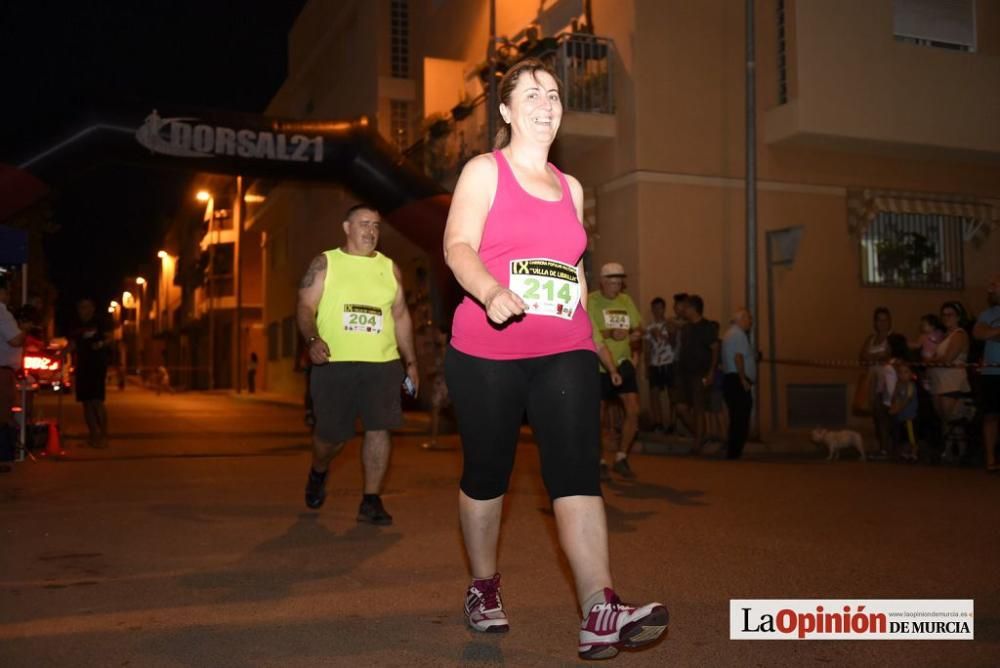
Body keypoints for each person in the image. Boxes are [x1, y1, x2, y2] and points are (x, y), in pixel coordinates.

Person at [442, 58, 667, 660]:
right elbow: (457, 244)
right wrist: (490, 291)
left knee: (576, 472)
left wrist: (591, 341)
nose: (547, 102)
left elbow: (574, 271)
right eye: (533, 93)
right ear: (507, 110)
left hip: (564, 347)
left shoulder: (571, 187)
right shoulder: (484, 172)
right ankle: (484, 587)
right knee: (487, 475)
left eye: (554, 94)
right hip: (486, 349)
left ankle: (599, 606)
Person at [296, 203, 419, 525]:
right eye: (364, 224)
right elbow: (306, 307)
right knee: (331, 437)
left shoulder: (390, 268)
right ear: (346, 227)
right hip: (335, 363)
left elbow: (401, 315)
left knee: (379, 429)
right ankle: (319, 471)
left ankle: (371, 499)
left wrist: (411, 361)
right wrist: (312, 340)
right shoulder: (326, 263)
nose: (371, 231)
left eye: (376, 226)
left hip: (382, 362)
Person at [588, 262, 643, 479]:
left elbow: (638, 327)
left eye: (619, 281)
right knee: (598, 416)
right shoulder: (591, 301)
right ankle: (600, 459)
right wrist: (610, 332)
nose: (616, 285)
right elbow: (589, 331)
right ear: (602, 281)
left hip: (623, 362)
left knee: (633, 410)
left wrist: (636, 336)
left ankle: (621, 456)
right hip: (599, 366)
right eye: (612, 281)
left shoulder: (626, 300)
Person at [674, 295, 719, 451]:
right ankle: (700, 434)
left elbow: (715, 349)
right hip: (684, 373)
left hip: (700, 373)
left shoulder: (707, 327)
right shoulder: (686, 328)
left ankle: (698, 442)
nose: (683, 310)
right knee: (681, 407)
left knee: (699, 407)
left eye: (686, 307)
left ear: (694, 308)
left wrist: (711, 371)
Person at [929, 301, 971, 463]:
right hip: (939, 382)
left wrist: (932, 361)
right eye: (944, 314)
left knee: (953, 419)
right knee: (944, 420)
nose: (946, 318)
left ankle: (961, 453)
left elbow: (948, 358)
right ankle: (947, 451)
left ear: (958, 316)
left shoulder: (959, 334)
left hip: (952, 383)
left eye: (950, 314)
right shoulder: (943, 336)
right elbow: (935, 359)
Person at [69, 299, 112, 448]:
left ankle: (104, 437)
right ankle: (93, 436)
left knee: (96, 401)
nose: (83, 310)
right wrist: (60, 355)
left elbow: (109, 337)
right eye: (80, 307)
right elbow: (73, 344)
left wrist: (100, 344)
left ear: (93, 308)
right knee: (86, 403)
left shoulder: (100, 322)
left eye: (86, 307)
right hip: (82, 366)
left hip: (97, 366)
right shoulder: (76, 325)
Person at [972, 274, 1000, 472]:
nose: (990, 289)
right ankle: (990, 460)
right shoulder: (986, 314)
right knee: (990, 416)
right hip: (991, 372)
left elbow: (988, 333)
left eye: (994, 285)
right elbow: (978, 333)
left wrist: (993, 332)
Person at [721, 309, 755, 460]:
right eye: (748, 318)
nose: (750, 322)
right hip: (737, 379)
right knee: (741, 416)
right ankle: (734, 452)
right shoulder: (739, 334)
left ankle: (733, 451)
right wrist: (743, 379)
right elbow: (738, 357)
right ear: (740, 319)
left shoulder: (729, 334)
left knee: (736, 417)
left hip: (730, 379)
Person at [644, 297, 674, 434]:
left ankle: (672, 423)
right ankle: (658, 422)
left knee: (672, 394)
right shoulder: (649, 328)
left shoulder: (670, 325)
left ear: (664, 309)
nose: (657, 311)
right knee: (654, 394)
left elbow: (675, 342)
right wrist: (647, 366)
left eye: (660, 308)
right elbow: (647, 348)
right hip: (655, 364)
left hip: (669, 362)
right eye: (654, 309)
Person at [0, 280, 26, 437]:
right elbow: (15, 340)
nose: (9, 297)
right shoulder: (1, 311)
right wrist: (24, 330)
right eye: (7, 292)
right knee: (3, 414)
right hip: (2, 371)